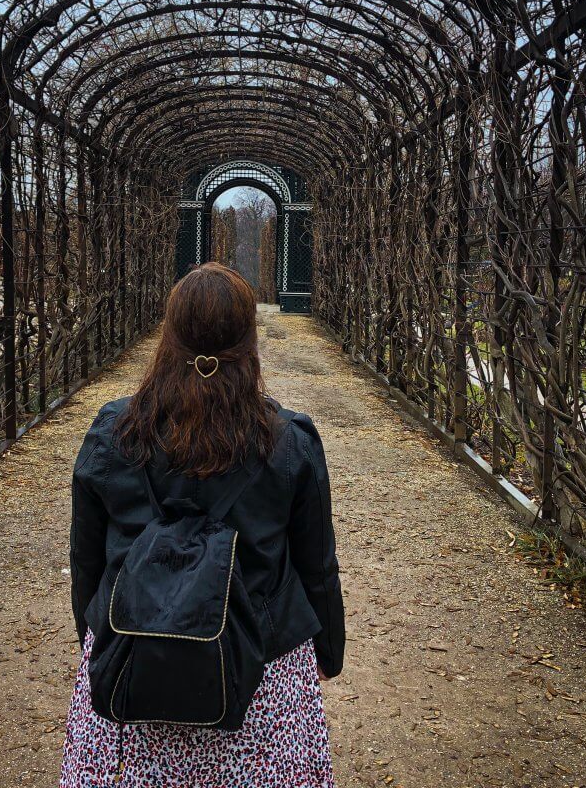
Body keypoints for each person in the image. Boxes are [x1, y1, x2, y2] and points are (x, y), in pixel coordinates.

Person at [61, 261, 345, 787]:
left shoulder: (113, 434)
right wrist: (328, 652)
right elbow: (317, 564)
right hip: (260, 670)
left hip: (136, 658)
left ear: (168, 335)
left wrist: (96, 634)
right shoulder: (288, 443)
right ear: (248, 339)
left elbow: (87, 557)